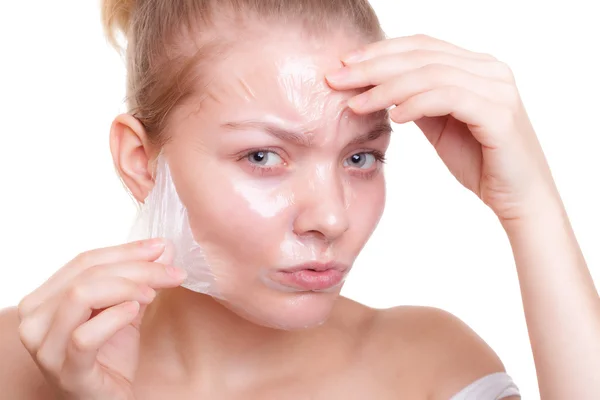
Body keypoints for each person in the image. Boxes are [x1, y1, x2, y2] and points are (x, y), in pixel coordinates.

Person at [0, 0, 598, 398]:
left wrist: (531, 205)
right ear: (140, 161)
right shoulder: (19, 359)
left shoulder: (428, 370)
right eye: (263, 157)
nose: (332, 217)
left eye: (360, 157)